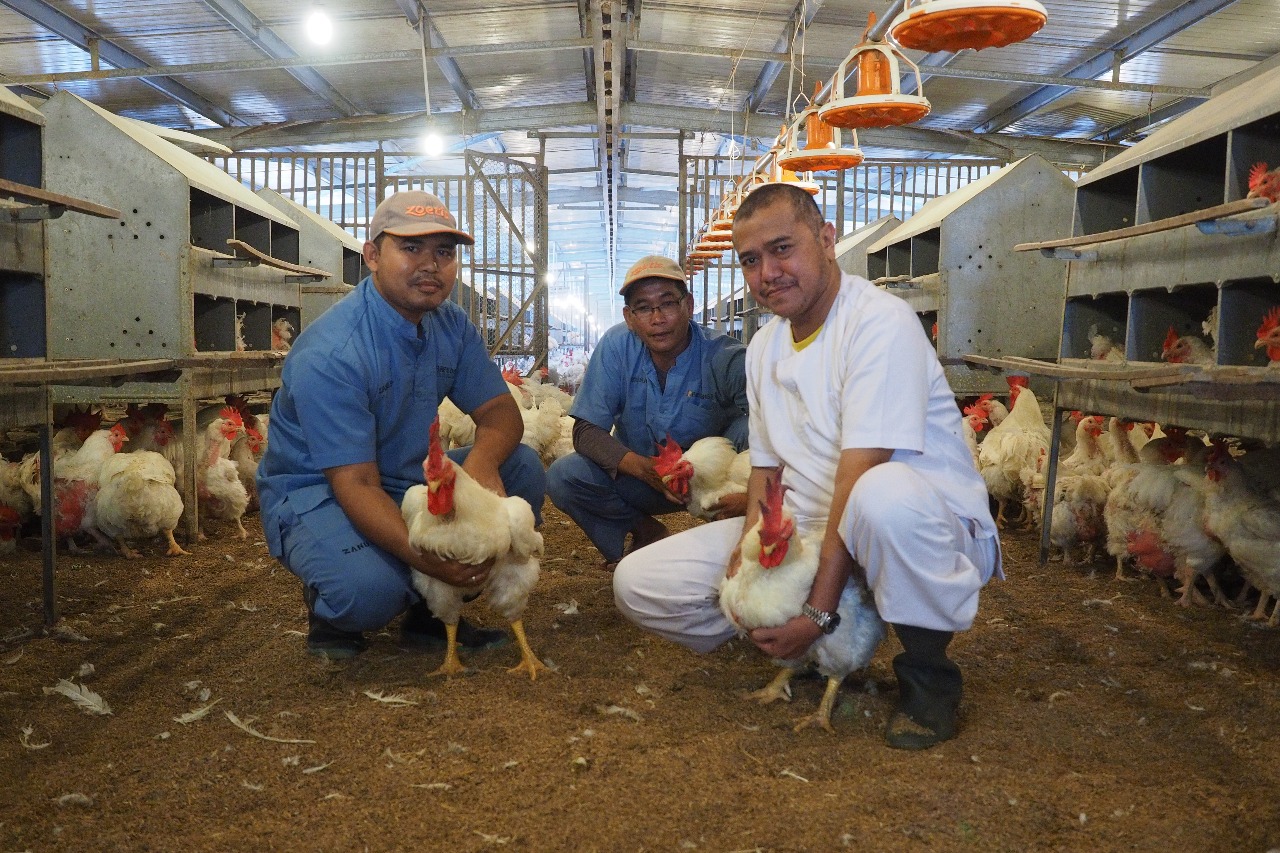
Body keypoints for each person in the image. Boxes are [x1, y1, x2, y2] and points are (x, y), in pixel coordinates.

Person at [612, 184, 1002, 749]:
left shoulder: (879, 322)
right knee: (639, 584)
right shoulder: (765, 346)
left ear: (825, 240)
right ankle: (808, 650)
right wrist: (745, 560)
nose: (768, 272)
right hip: (808, 532)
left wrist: (818, 610)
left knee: (881, 496)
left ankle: (926, 673)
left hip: (914, 526)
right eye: (751, 260)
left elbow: (857, 475)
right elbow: (766, 471)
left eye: (782, 249)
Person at [257, 190, 547, 658]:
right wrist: (432, 559)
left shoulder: (449, 324)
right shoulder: (333, 352)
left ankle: (432, 616)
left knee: (522, 468)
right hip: (324, 491)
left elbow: (500, 414)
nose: (430, 265)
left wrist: (480, 471)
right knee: (370, 593)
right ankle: (333, 612)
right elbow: (356, 482)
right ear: (372, 255)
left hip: (402, 477)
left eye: (444, 253)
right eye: (411, 249)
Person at [546, 254, 750, 572]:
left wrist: (753, 492)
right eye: (643, 308)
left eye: (667, 303)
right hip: (644, 478)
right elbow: (585, 431)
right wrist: (644, 470)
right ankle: (645, 532)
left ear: (689, 305)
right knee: (564, 476)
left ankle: (742, 546)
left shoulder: (726, 358)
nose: (657, 318)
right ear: (629, 317)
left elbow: (782, 424)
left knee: (756, 431)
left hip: (713, 484)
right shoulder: (617, 346)